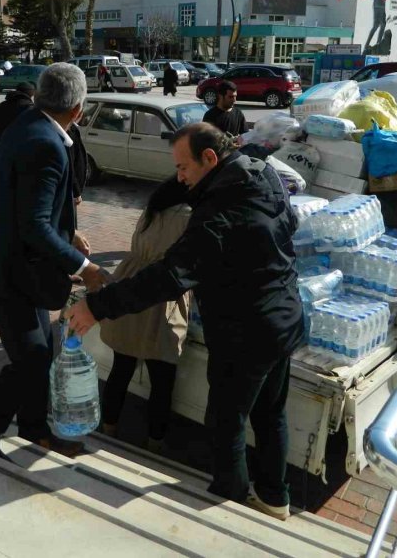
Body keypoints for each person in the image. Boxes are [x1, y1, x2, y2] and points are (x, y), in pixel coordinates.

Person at [67, 122, 301, 520]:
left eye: (183, 167)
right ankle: (275, 500)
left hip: (244, 329)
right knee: (269, 414)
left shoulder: (220, 209)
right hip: (284, 315)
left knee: (226, 421)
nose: (179, 177)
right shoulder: (261, 174)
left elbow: (172, 273)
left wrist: (97, 306)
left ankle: (230, 505)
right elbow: (289, 225)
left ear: (209, 158)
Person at [0, 63, 111, 459]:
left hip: (10, 260)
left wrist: (69, 233)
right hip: (4, 269)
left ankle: (32, 428)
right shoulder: (46, 144)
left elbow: (24, 202)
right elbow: (35, 227)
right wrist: (85, 267)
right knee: (31, 358)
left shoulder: (28, 122)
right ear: (77, 109)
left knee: (42, 351)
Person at [100, 177, 191, 452]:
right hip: (162, 291)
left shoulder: (152, 209)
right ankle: (155, 443)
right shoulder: (190, 216)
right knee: (162, 379)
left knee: (121, 367)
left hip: (128, 282)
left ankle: (108, 429)